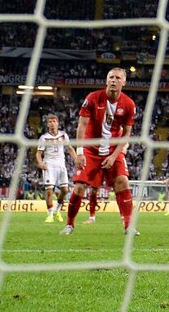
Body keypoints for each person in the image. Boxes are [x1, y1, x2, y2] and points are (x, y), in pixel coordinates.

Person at [61, 68, 137, 236]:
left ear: (123, 82)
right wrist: (80, 151)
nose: (113, 80)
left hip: (112, 148)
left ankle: (129, 226)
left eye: (117, 78)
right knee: (79, 187)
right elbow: (81, 125)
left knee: (123, 182)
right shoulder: (93, 98)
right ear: (106, 80)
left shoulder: (129, 104)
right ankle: (69, 224)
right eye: (110, 77)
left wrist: (114, 155)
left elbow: (126, 134)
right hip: (90, 149)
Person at [36, 114, 78, 223]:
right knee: (49, 191)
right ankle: (49, 215)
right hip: (49, 165)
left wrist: (76, 159)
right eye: (50, 121)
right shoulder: (44, 138)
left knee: (65, 190)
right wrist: (41, 163)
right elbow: (38, 153)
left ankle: (57, 210)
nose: (52, 123)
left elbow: (70, 148)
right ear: (47, 124)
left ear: (58, 123)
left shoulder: (63, 135)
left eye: (54, 121)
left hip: (61, 165)